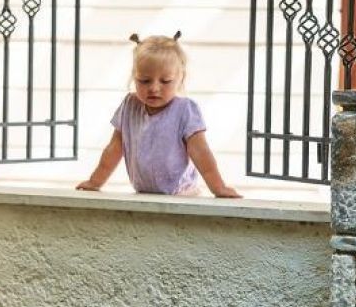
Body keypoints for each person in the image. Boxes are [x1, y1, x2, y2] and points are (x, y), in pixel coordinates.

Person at [76, 31, 241, 198]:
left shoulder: (185, 110)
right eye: (144, 80)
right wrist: (94, 182)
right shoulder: (130, 106)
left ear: (180, 78)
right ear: (134, 77)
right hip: (144, 195)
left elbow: (201, 152)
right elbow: (114, 148)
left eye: (165, 81)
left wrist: (219, 188)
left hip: (182, 196)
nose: (154, 88)